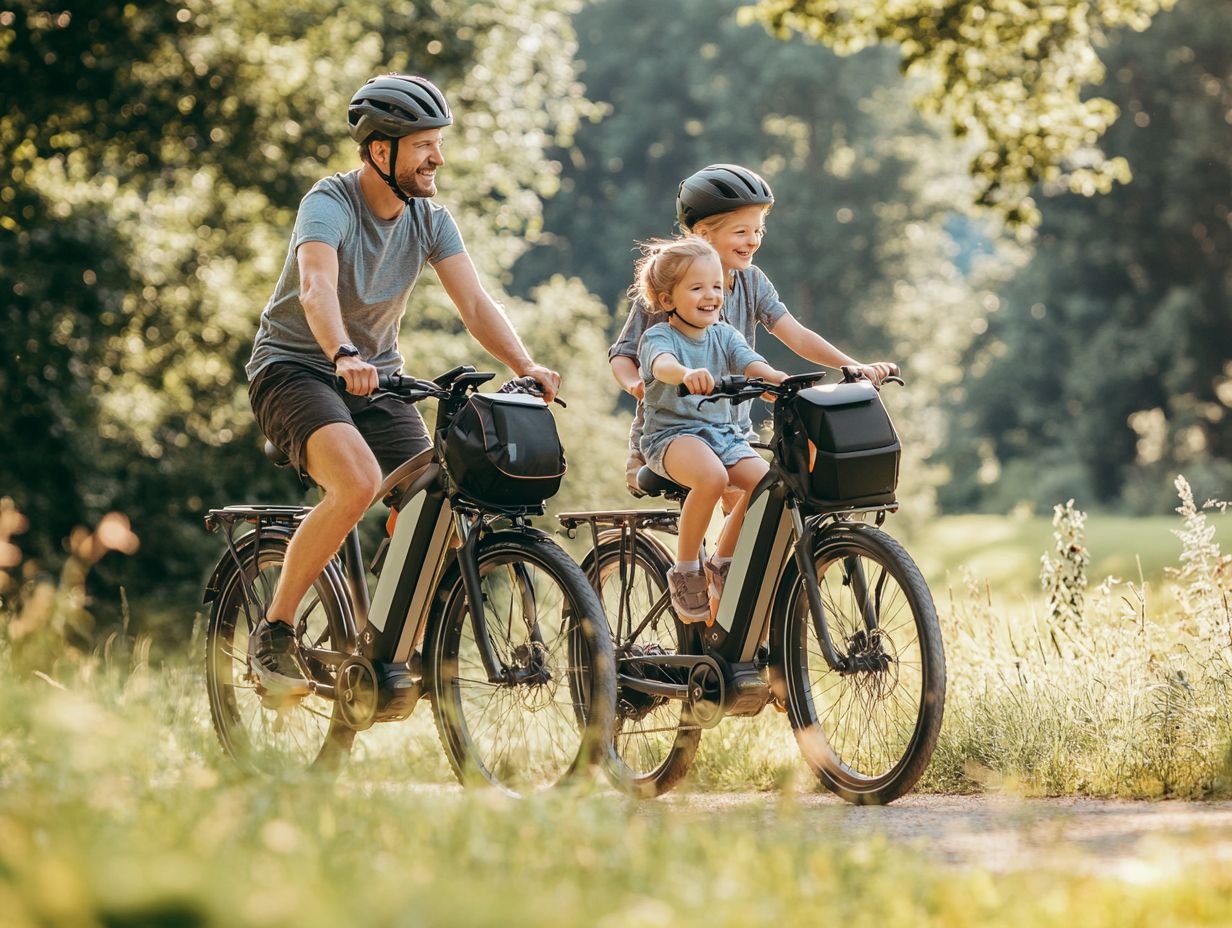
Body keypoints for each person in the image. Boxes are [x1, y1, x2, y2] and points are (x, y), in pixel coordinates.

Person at [244, 74, 559, 696]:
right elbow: (315, 286)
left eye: (438, 143)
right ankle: (275, 634)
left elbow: (474, 302)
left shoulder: (430, 220)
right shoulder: (329, 202)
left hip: (377, 378)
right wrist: (340, 351)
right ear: (378, 151)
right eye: (422, 145)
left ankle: (386, 630)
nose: (437, 157)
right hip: (295, 369)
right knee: (358, 482)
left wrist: (524, 364)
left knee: (438, 497)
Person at [609, 163, 898, 494]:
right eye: (741, 232)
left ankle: (730, 550)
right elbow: (624, 355)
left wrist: (851, 366)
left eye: (758, 231)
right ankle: (702, 549)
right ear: (704, 234)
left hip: (731, 433)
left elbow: (797, 335)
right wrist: (637, 385)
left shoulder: (752, 281)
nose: (753, 241)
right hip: (674, 435)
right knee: (745, 496)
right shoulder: (670, 286)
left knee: (773, 500)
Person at [633, 237, 788, 623]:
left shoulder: (724, 334)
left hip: (722, 436)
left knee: (770, 485)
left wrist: (773, 380)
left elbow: (750, 361)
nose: (711, 295)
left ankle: (722, 560)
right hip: (672, 437)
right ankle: (686, 570)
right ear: (668, 300)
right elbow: (662, 365)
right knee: (712, 477)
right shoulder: (659, 338)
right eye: (697, 287)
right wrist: (686, 374)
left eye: (717, 286)